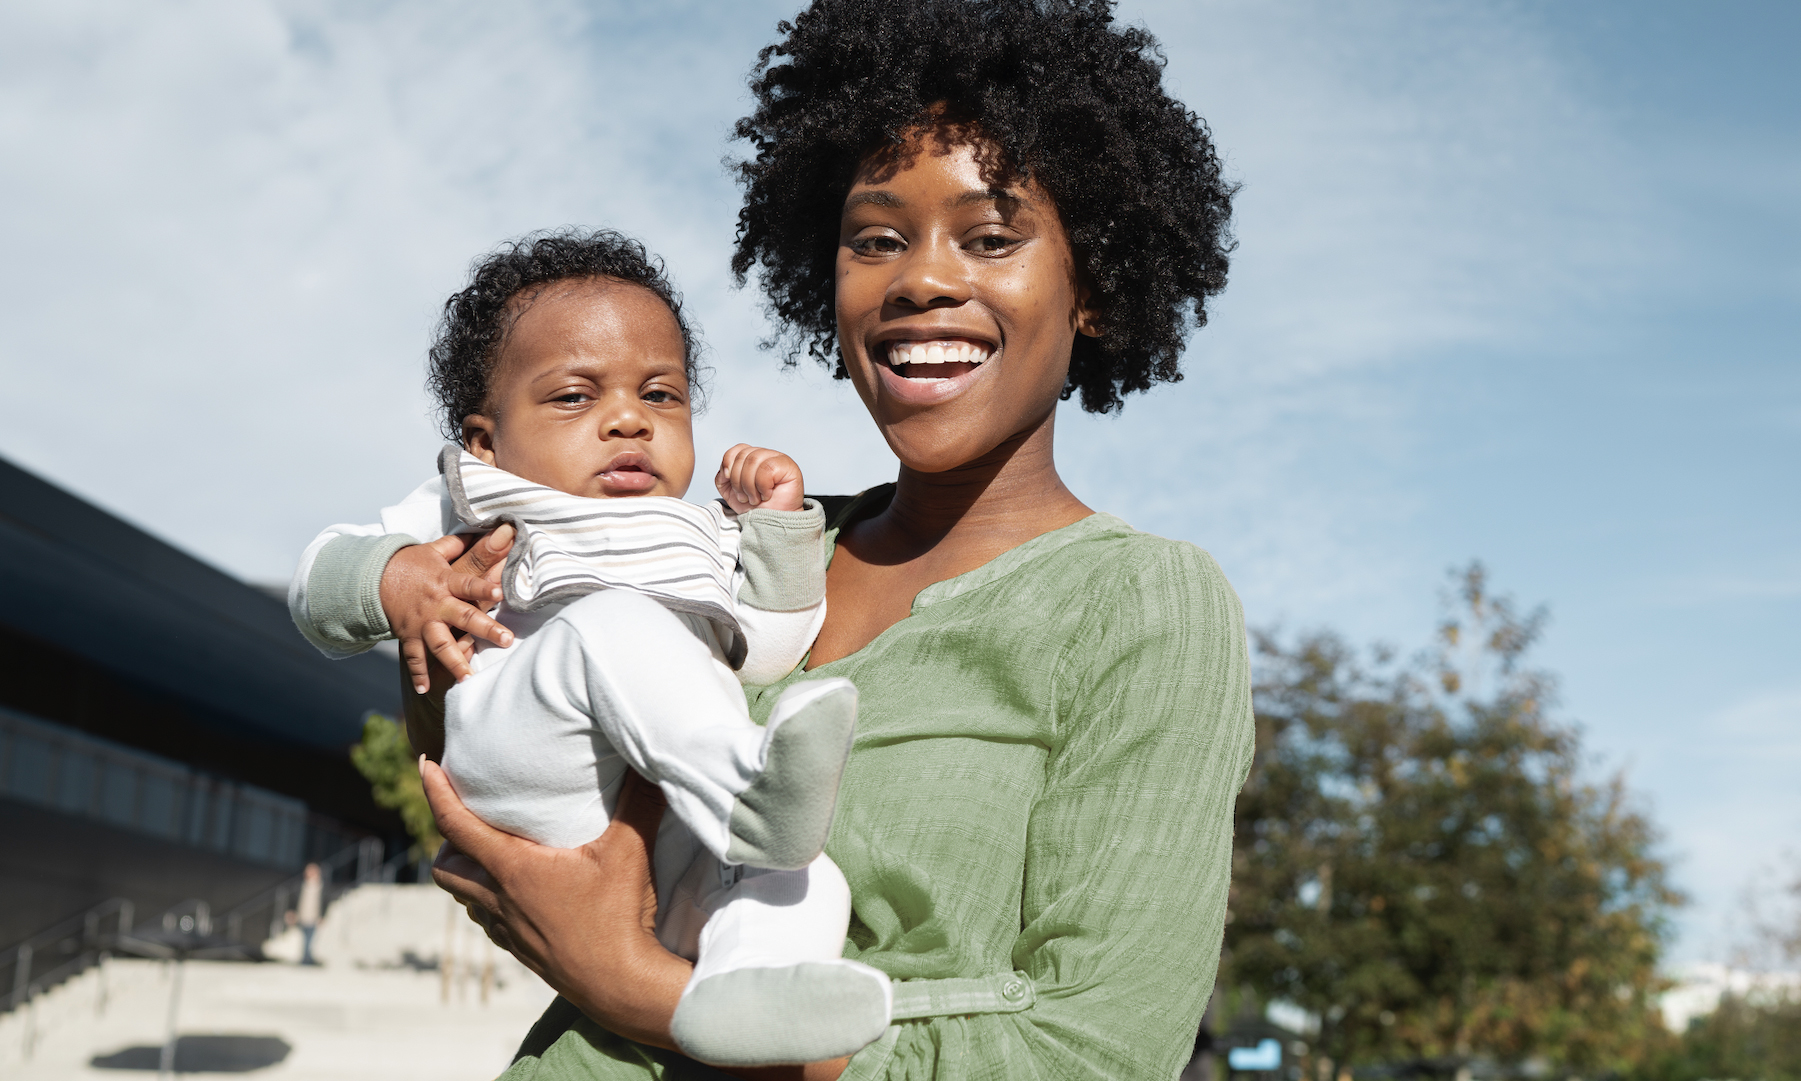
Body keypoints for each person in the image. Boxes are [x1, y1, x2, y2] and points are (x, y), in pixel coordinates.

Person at [317, 1, 1246, 1076]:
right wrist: (433, 596)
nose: (920, 279)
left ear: (1096, 287)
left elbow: (1092, 1055)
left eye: (991, 238)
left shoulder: (1145, 605)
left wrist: (638, 988)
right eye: (875, 239)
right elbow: (499, 800)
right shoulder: (742, 547)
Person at [288, 230, 892, 1066]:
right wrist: (396, 579)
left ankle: (747, 990)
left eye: (661, 394)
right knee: (610, 625)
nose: (628, 418)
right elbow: (314, 581)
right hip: (532, 753)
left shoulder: (698, 531)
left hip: (672, 816)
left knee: (804, 878)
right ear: (486, 441)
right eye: (574, 396)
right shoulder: (473, 503)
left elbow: (768, 652)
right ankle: (752, 793)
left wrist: (779, 531)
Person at [295, 862, 321, 966]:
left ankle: (307, 958)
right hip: (303, 916)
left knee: (310, 939)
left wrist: (322, 916)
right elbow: (297, 900)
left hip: (313, 917)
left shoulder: (320, 886)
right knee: (304, 939)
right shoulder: (302, 885)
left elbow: (323, 902)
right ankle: (306, 958)